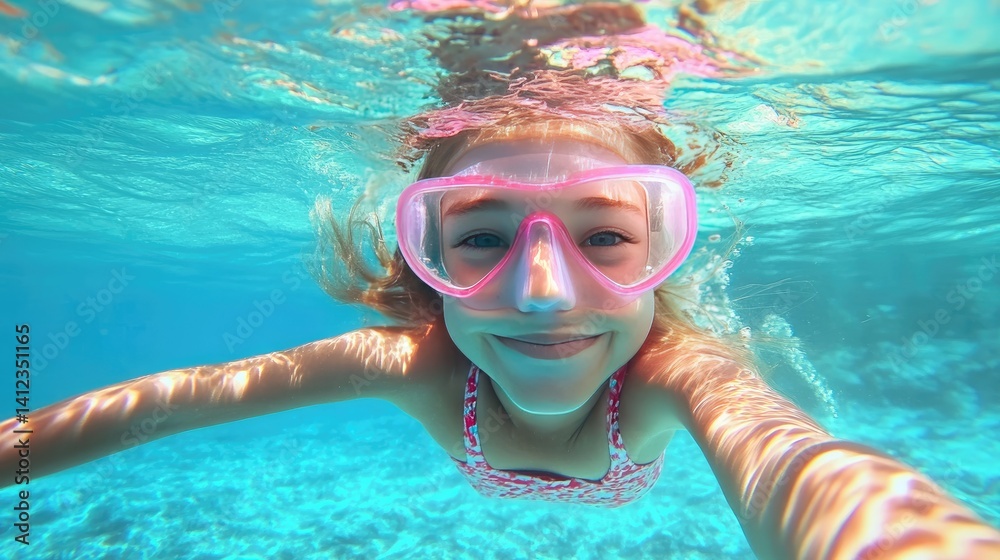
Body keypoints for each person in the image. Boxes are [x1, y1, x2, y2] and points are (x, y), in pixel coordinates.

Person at [4, 2, 1000, 559]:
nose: (540, 291)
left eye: (604, 238)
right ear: (421, 260)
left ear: (665, 253)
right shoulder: (407, 360)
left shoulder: (673, 372)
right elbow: (158, 411)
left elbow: (804, 467)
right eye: (476, 238)